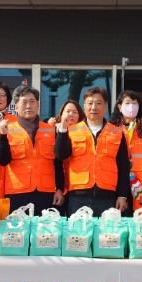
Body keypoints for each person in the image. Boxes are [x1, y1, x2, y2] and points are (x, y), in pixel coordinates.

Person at [56, 88, 130, 217]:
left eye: (98, 103)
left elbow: (123, 166)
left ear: (105, 106)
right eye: (90, 103)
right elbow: (60, 155)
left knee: (107, 231)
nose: (94, 107)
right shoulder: (71, 130)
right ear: (84, 106)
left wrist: (122, 195)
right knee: (78, 230)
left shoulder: (117, 132)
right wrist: (62, 130)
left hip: (107, 196)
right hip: (78, 196)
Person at [0, 86, 64, 213]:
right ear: (16, 107)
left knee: (46, 227)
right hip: (17, 193)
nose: (28, 106)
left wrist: (59, 188)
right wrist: (3, 136)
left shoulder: (50, 129)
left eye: (32, 102)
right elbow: (2, 161)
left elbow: (58, 163)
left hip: (46, 192)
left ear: (38, 105)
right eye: (24, 102)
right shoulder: (6, 129)